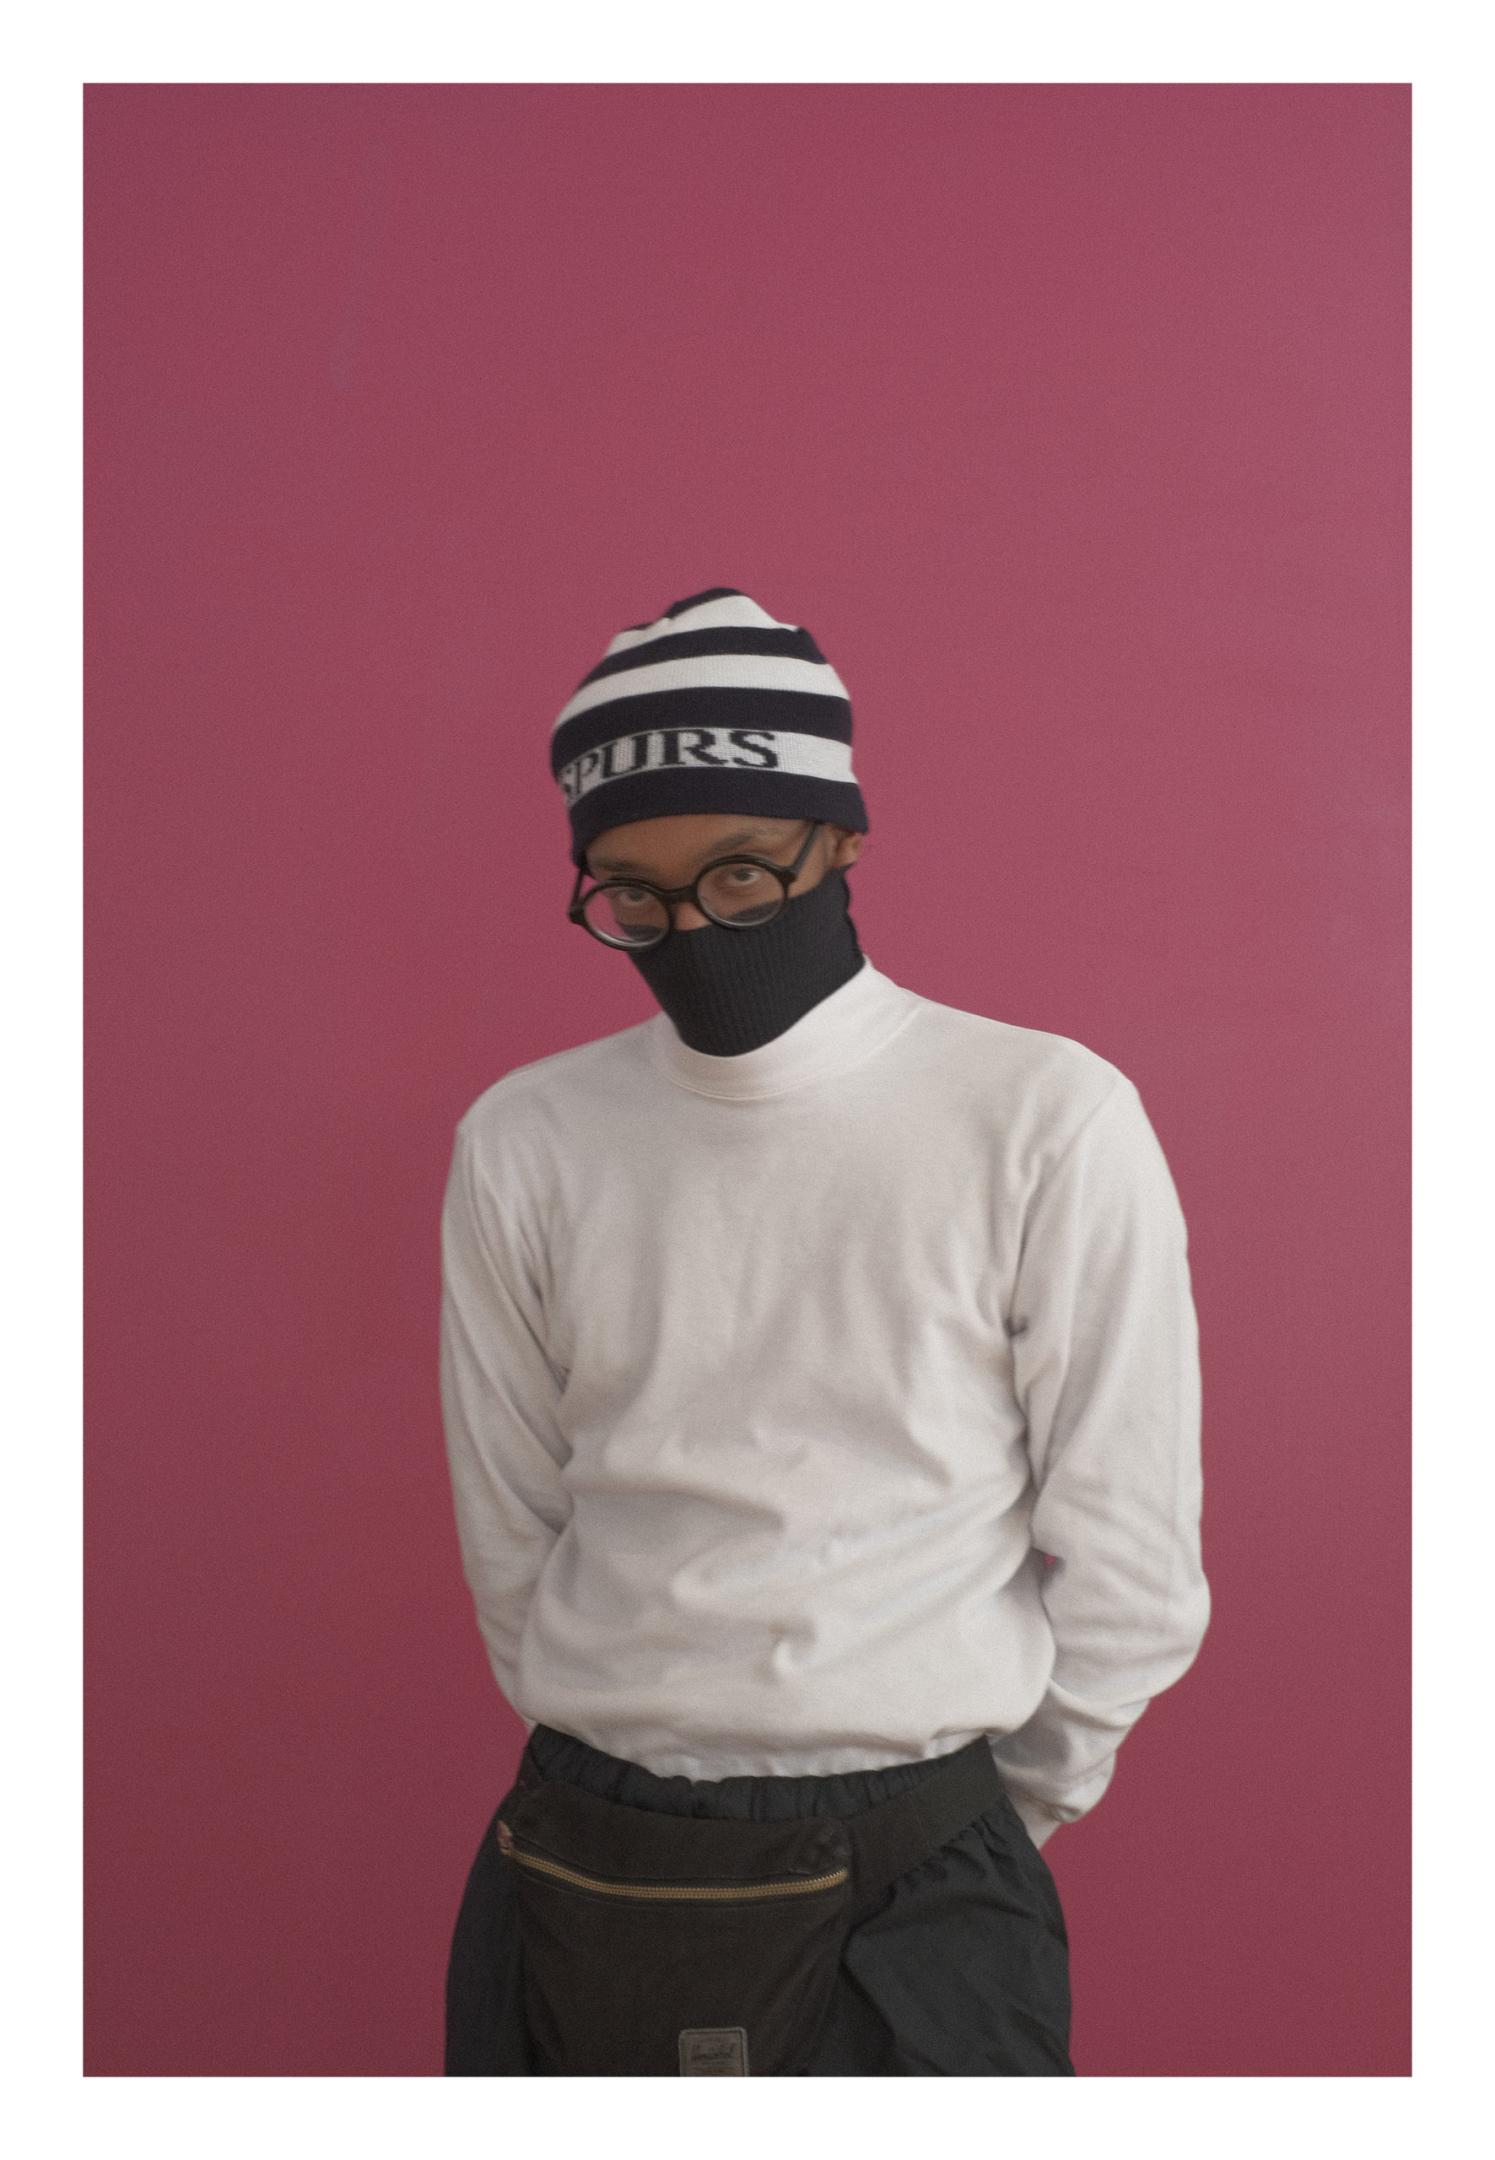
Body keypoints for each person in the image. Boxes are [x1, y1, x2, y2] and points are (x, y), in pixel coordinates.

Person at [439, 586, 1211, 2075]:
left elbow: (1135, 1560)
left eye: (741, 875)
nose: (690, 930)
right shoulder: (527, 1139)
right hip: (584, 1852)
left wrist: (981, 1818)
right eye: (634, 897)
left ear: (841, 839)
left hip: (923, 1869)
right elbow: (510, 1525)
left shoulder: (1041, 1116)